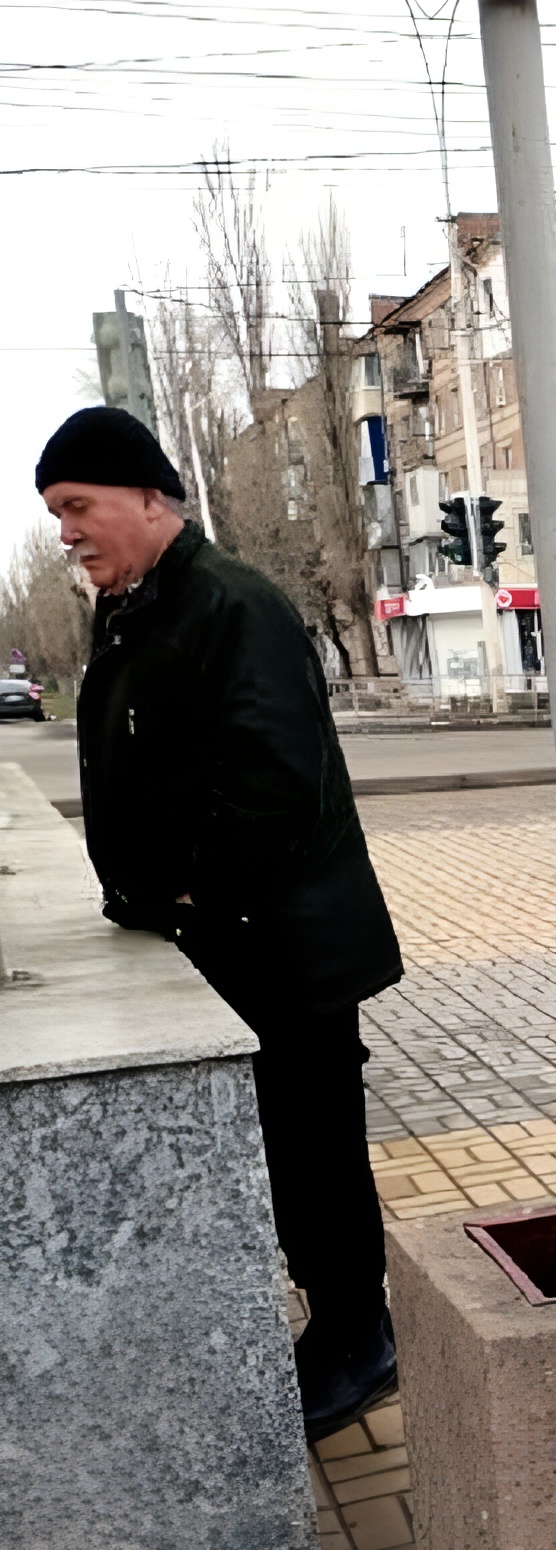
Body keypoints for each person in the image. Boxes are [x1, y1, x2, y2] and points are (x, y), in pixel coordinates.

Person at [37, 405, 403, 1444]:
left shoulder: (230, 605)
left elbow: (273, 790)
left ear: (150, 498)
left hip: (281, 946)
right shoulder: (143, 608)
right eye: (57, 514)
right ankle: (332, 1322)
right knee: (284, 1153)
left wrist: (186, 892)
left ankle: (357, 1337)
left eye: (77, 507)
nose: (66, 532)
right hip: (227, 939)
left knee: (315, 1150)